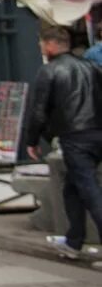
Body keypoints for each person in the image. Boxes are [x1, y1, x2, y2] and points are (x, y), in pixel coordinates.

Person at [22, 26, 102, 262]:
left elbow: (38, 111)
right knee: (72, 188)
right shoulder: (92, 67)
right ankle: (73, 241)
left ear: (50, 45)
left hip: (75, 136)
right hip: (97, 131)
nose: (41, 48)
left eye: (41, 44)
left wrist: (32, 140)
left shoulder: (50, 71)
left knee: (88, 189)